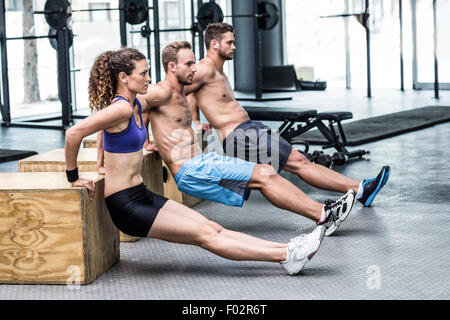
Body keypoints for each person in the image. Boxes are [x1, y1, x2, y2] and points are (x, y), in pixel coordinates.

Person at [64, 47, 326, 276]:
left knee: (211, 226)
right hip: (127, 206)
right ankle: (287, 254)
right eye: (143, 73)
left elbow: (103, 129)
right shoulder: (120, 108)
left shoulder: (131, 105)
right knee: (207, 236)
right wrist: (74, 177)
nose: (148, 78)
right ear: (124, 77)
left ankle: (289, 251)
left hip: (140, 194)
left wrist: (102, 162)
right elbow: (73, 133)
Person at [141, 41, 356, 238]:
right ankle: (324, 214)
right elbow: (130, 104)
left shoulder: (180, 92)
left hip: (201, 164)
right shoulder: (161, 91)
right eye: (188, 64)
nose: (194, 69)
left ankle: (322, 213)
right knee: (264, 174)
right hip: (190, 170)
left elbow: (145, 112)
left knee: (266, 172)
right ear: (172, 67)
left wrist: (148, 138)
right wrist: (143, 141)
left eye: (194, 63)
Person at [185, 22, 390, 208]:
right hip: (243, 135)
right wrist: (181, 125)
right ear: (214, 44)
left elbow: (191, 93)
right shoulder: (204, 69)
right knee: (299, 163)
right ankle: (360, 190)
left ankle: (340, 201)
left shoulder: (218, 72)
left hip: (245, 133)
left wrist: (195, 121)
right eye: (229, 42)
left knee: (270, 179)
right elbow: (177, 91)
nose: (234, 47)